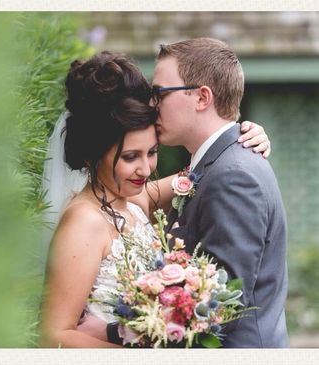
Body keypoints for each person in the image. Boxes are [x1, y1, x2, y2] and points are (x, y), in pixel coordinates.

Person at [39, 50, 272, 348]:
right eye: (130, 157)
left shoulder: (135, 199)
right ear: (91, 156)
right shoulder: (84, 222)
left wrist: (242, 138)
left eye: (151, 152)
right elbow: (53, 336)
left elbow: (201, 173)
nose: (145, 169)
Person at [152, 38, 289, 347]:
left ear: (202, 98)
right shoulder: (218, 164)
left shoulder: (234, 175)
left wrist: (114, 332)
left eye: (159, 93)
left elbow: (220, 302)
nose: (152, 104)